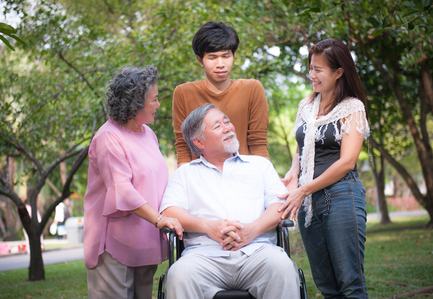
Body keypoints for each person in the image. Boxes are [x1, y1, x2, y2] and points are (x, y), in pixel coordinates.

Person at [160, 104, 300, 299]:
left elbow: (279, 205)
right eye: (217, 126)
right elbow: (169, 212)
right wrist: (208, 226)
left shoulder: (260, 165)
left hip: (258, 252)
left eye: (227, 121)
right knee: (179, 274)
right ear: (199, 142)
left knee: (282, 266)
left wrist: (253, 230)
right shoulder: (185, 173)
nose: (228, 128)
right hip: (203, 257)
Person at [279, 39, 370, 298]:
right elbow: (301, 149)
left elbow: (347, 162)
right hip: (309, 202)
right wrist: (294, 174)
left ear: (338, 72)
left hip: (342, 195)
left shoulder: (352, 107)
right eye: (311, 68)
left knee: (350, 283)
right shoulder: (306, 105)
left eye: (319, 69)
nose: (312, 75)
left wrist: (303, 189)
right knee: (326, 285)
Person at [83, 66, 184, 299]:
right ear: (135, 103)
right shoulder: (108, 137)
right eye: (155, 99)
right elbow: (122, 191)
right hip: (114, 244)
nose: (159, 105)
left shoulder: (148, 134)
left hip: (145, 239)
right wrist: (160, 219)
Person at [172, 21, 270, 167]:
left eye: (226, 56)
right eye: (212, 57)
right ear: (200, 60)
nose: (220, 64)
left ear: (233, 56)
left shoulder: (252, 88)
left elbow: (258, 143)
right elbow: (183, 147)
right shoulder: (183, 93)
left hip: (244, 177)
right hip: (201, 180)